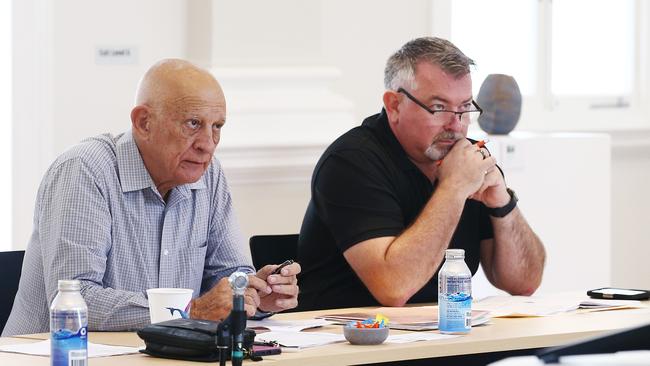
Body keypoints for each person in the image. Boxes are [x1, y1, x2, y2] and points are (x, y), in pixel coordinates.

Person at [3, 59, 300, 336]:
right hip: (59, 355)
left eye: (217, 127)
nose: (208, 145)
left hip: (164, 354)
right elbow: (75, 298)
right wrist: (190, 311)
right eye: (193, 124)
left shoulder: (209, 175)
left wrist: (255, 296)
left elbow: (227, 277)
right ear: (144, 122)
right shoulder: (85, 170)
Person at [296, 37, 545, 311]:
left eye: (464, 108)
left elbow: (524, 284)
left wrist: (502, 202)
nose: (456, 124)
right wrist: (453, 188)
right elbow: (394, 288)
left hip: (440, 335)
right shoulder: (350, 161)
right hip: (347, 341)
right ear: (394, 105)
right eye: (438, 107)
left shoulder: (469, 158)